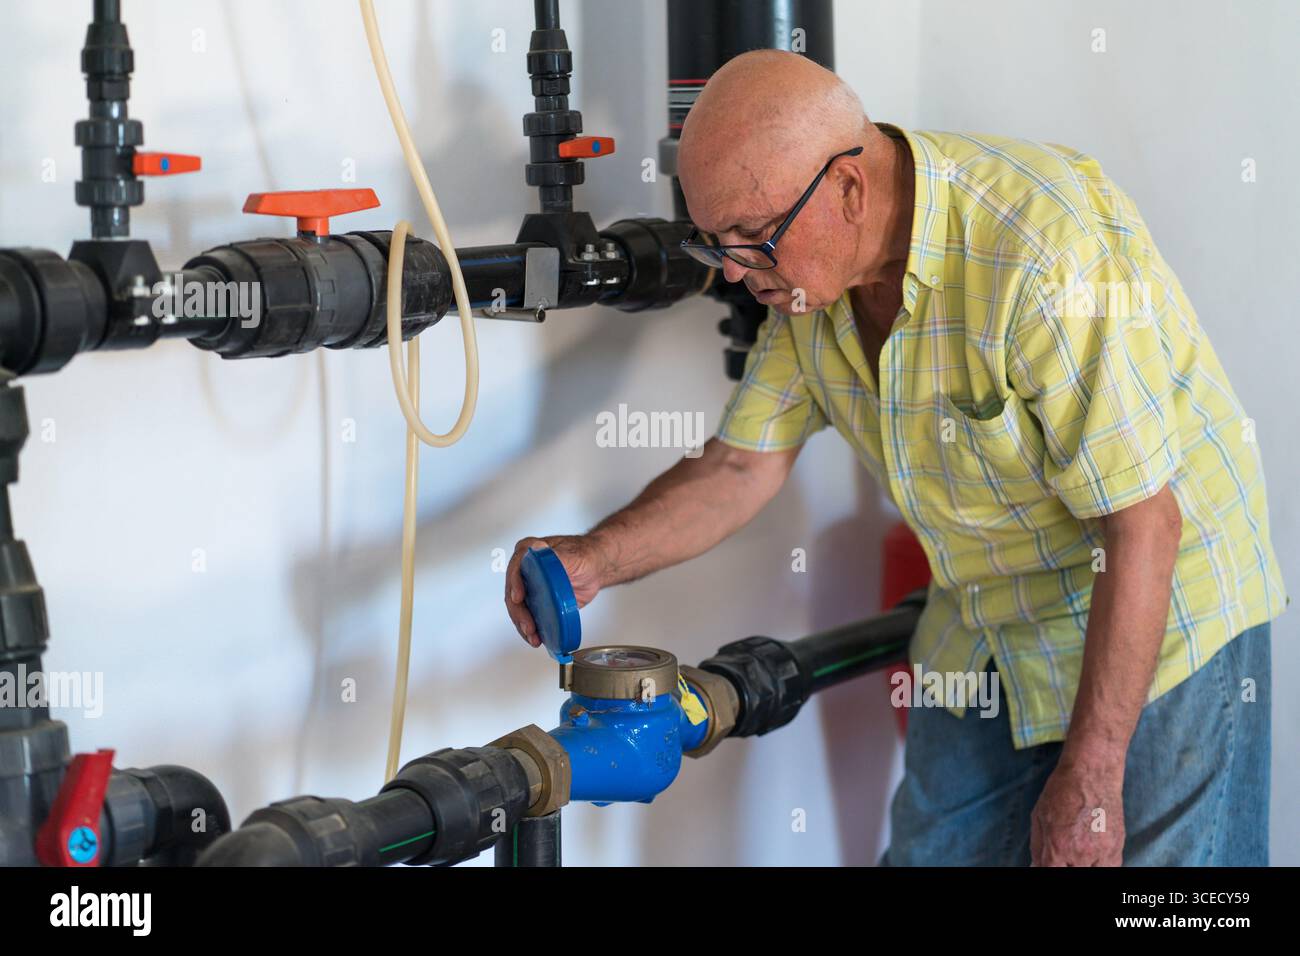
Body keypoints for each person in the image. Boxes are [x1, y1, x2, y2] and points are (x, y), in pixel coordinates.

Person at [504, 49, 1287, 866]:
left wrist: (1092, 776)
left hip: (1160, 612)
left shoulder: (1043, 255)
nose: (735, 271)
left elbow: (1142, 522)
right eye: (714, 243)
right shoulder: (807, 286)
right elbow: (740, 468)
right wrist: (593, 558)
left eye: (750, 237)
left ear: (849, 188)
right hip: (989, 617)